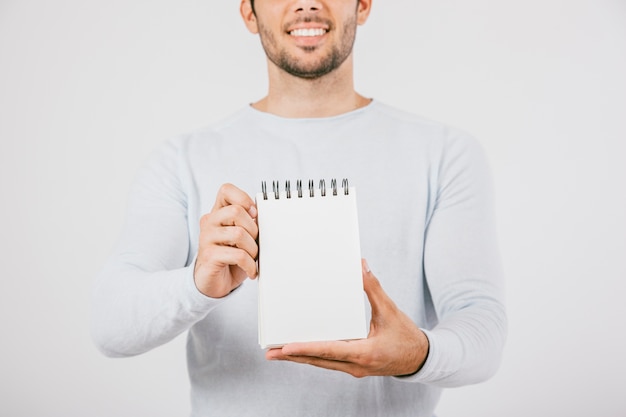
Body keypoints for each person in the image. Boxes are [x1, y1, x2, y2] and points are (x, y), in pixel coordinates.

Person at [91, 0, 507, 416]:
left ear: (362, 6)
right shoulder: (180, 161)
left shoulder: (444, 155)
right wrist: (197, 285)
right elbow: (110, 326)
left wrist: (418, 353)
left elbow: (482, 329)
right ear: (249, 13)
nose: (307, 3)